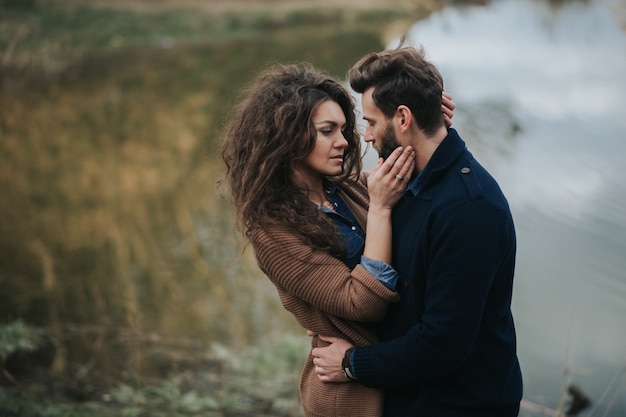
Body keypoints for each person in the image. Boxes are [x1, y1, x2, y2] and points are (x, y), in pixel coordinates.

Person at [220, 62, 454, 416]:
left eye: (344, 129)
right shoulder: (272, 232)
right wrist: (378, 210)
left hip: (392, 373)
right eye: (327, 130)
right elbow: (362, 303)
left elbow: (404, 182)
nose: (344, 142)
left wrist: (426, 128)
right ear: (287, 136)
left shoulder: (347, 187)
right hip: (347, 397)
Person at [311, 45, 523, 417]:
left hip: (461, 406)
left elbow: (442, 345)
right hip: (414, 397)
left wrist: (352, 363)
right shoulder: (404, 183)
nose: (368, 137)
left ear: (403, 118)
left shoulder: (470, 212)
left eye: (372, 122)